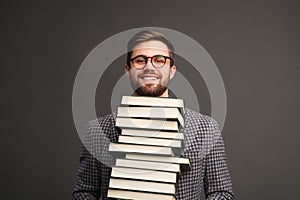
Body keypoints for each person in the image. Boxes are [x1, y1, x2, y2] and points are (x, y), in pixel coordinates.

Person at [72, 30, 235, 199]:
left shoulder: (206, 128)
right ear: (128, 70)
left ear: (172, 70)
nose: (149, 67)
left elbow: (221, 193)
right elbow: (85, 193)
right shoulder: (96, 131)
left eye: (159, 60)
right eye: (140, 60)